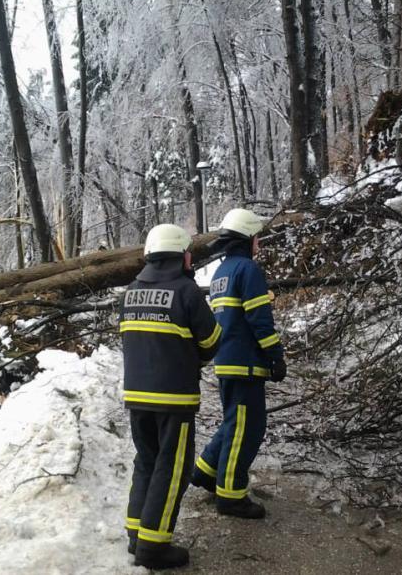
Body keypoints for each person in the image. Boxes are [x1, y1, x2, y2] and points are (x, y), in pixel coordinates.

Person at [120, 223, 221, 569]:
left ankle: (137, 535)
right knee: (172, 468)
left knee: (146, 461)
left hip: (136, 397)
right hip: (173, 400)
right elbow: (211, 342)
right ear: (183, 257)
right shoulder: (187, 292)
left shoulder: (131, 291)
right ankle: (154, 545)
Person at [190, 208, 286, 519]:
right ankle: (231, 494)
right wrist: (275, 356)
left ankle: (205, 471)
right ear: (247, 239)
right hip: (246, 362)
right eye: (257, 237)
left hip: (227, 360)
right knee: (248, 429)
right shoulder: (248, 270)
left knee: (234, 422)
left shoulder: (221, 274)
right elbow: (259, 318)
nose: (259, 244)